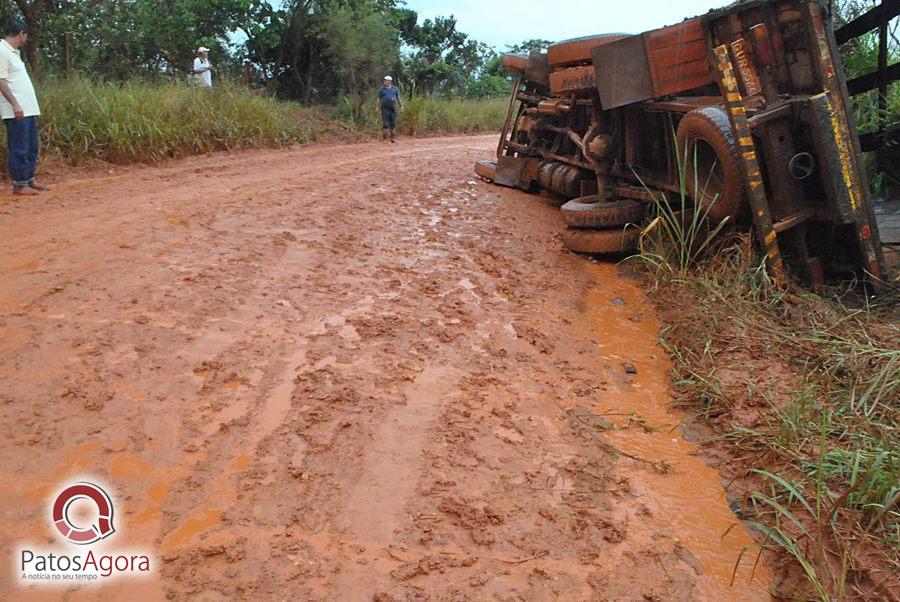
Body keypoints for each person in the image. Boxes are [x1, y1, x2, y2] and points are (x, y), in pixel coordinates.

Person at [0, 19, 46, 196]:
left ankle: (28, 179)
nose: (25, 39)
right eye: (25, 36)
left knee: (31, 146)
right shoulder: (2, 50)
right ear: (21, 34)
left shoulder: (14, 53)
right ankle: (19, 184)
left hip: (27, 109)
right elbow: (1, 79)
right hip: (16, 110)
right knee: (19, 147)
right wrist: (15, 104)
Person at [377, 75, 401, 143]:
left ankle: (393, 138)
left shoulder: (395, 89)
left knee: (393, 124)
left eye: (386, 80)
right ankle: (384, 139)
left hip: (393, 109)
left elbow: (398, 97)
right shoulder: (381, 89)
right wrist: (376, 107)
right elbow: (378, 98)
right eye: (384, 80)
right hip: (384, 109)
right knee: (385, 124)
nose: (384, 81)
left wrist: (401, 105)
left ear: (389, 81)